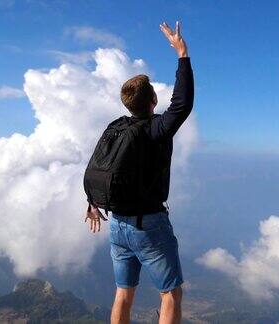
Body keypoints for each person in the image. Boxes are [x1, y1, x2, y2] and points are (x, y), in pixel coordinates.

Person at [85, 21, 193, 324]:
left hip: (116, 224)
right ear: (153, 101)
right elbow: (182, 104)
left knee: (123, 293)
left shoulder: (116, 128)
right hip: (149, 226)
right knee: (170, 294)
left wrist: (93, 202)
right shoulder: (155, 129)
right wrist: (182, 54)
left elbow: (101, 165)